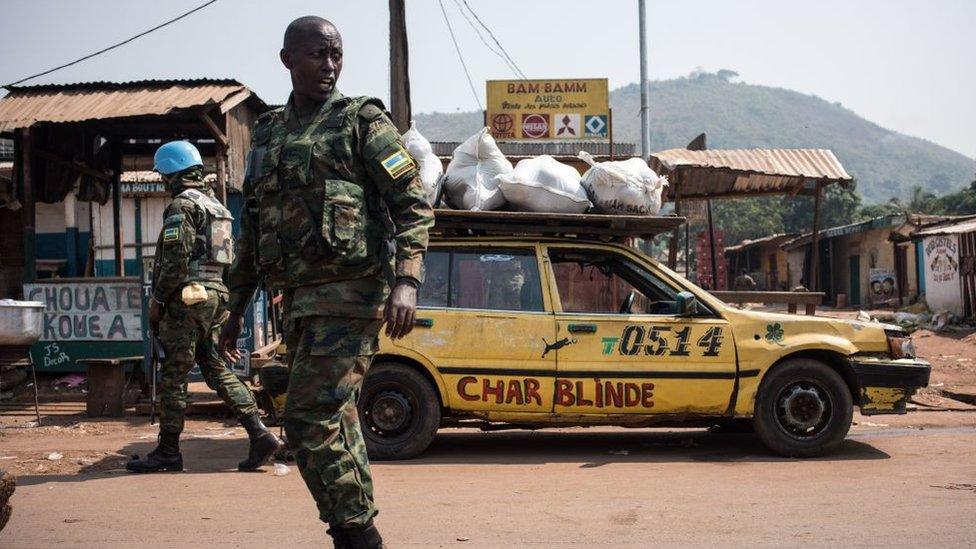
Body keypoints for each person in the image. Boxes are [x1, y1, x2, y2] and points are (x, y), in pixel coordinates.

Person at [217, 16, 433, 548]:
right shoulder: (267, 131)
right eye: (318, 55)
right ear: (288, 59)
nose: (330, 66)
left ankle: (358, 536)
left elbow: (414, 207)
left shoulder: (361, 122)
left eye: (336, 55)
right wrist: (235, 309)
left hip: (354, 297)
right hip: (299, 305)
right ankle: (354, 532)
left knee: (308, 418)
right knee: (337, 420)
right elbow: (252, 228)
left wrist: (406, 281)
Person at [127, 141, 281, 474]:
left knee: (174, 374)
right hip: (216, 296)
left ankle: (168, 451)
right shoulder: (218, 207)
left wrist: (157, 301)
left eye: (164, 176)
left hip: (187, 300)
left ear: (171, 174)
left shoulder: (182, 206)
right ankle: (259, 434)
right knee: (215, 367)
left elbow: (175, 260)